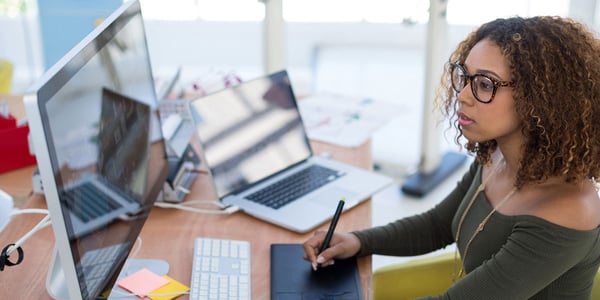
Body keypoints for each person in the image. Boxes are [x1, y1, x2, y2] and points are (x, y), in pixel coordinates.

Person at [302, 16, 600, 299]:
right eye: (464, 77)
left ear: (539, 99)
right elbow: (439, 225)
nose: (462, 96)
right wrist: (358, 241)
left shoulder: (571, 210)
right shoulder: (495, 156)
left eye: (485, 84)